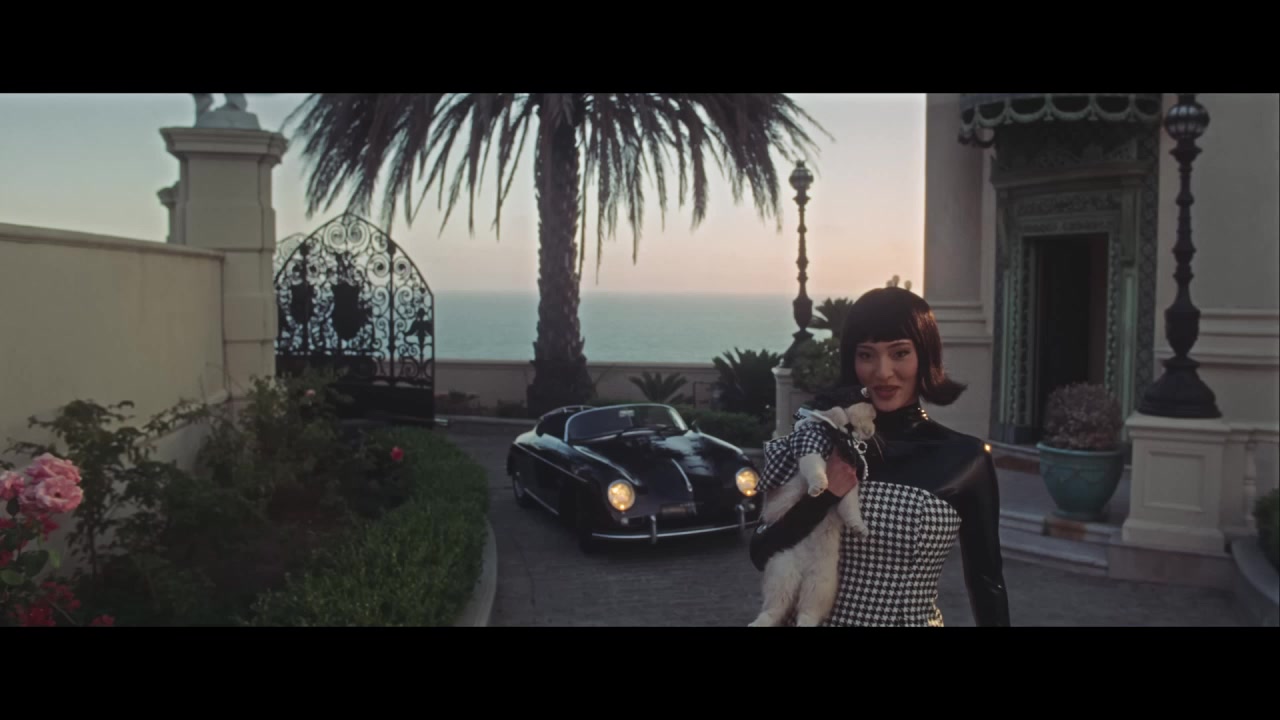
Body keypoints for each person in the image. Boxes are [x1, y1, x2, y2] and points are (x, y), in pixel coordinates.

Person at [749, 287, 1010, 626]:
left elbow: (986, 581)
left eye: (900, 353)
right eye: (867, 355)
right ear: (852, 361)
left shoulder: (966, 458)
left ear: (924, 356)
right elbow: (761, 552)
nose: (883, 372)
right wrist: (824, 496)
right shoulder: (815, 440)